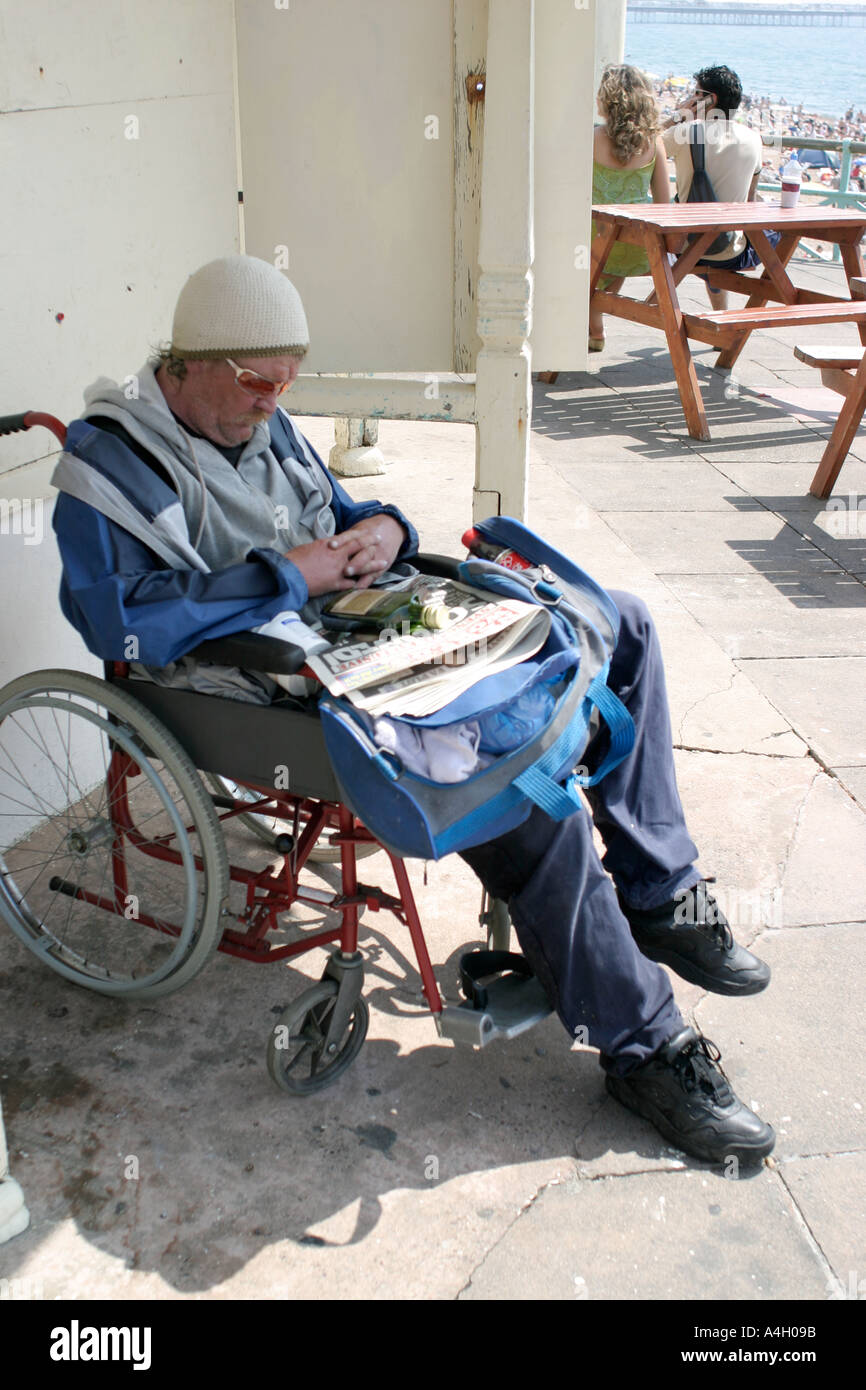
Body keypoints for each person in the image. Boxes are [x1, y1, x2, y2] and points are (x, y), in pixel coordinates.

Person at [52, 254, 776, 1167]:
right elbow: (119, 621)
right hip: (261, 683)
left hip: (358, 627)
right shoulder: (107, 459)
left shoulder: (259, 423)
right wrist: (292, 574)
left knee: (614, 619)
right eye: (256, 383)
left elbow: (345, 509)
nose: (275, 402)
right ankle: (648, 1047)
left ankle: (660, 893)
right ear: (190, 360)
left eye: (288, 382)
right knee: (516, 781)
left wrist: (384, 530)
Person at [662, 65, 770, 312]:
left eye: (696, 93)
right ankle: (721, 314)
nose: (691, 98)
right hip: (731, 251)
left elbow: (642, 149)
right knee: (769, 237)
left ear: (710, 99)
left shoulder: (685, 132)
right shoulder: (754, 139)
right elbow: (750, 199)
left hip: (683, 247)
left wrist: (677, 116)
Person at [589, 64, 676, 351]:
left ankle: (593, 324)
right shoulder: (653, 143)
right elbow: (665, 204)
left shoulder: (591, 139)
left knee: (590, 262)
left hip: (593, 239)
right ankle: (594, 322)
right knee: (612, 261)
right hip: (637, 244)